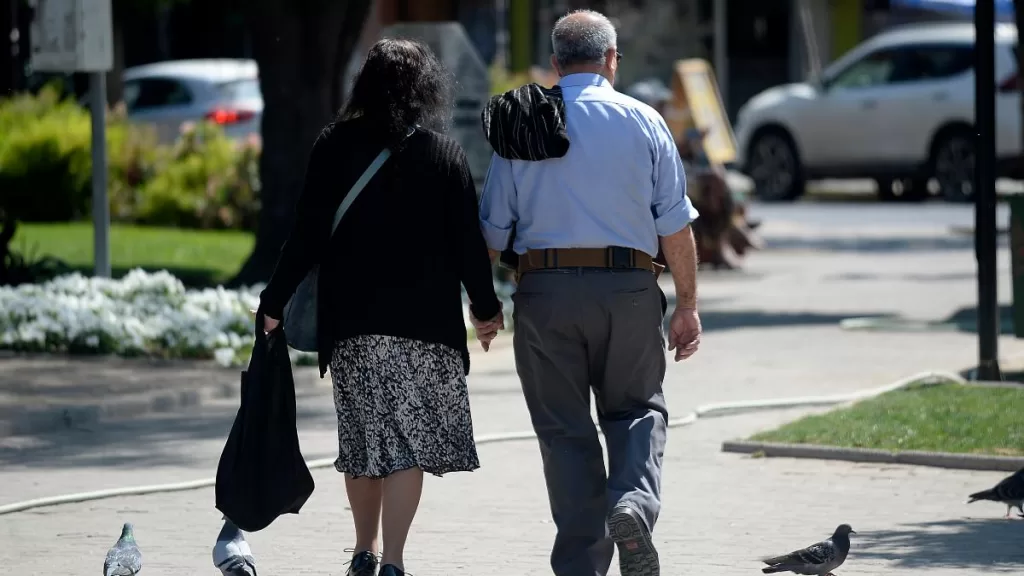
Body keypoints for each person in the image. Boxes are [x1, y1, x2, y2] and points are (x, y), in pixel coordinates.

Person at [258, 38, 504, 576]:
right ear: (425, 89)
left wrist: (273, 302)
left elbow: (304, 235)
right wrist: (486, 310)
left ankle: (363, 552)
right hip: (424, 328)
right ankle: (393, 561)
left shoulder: (333, 145)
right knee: (407, 448)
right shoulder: (444, 154)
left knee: (363, 441)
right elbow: (467, 244)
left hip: (354, 326)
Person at [474, 9, 702, 576]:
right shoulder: (645, 122)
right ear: (612, 59)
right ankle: (632, 505)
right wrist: (689, 308)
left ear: (555, 63)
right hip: (629, 288)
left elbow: (492, 232)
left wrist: (484, 308)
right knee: (637, 409)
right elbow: (675, 225)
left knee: (565, 431)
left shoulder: (523, 121)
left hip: (544, 292)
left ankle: (581, 565)